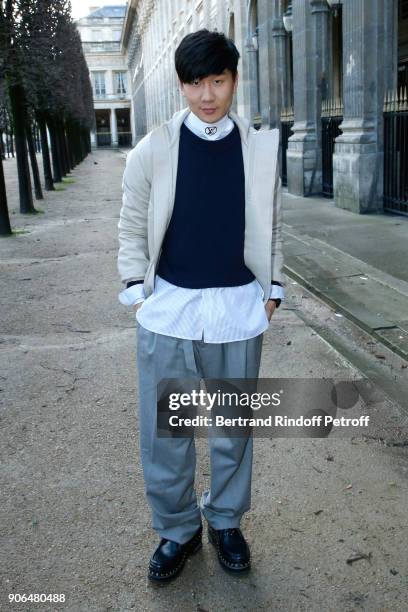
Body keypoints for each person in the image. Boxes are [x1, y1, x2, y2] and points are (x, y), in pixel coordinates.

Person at [117, 29, 285, 582]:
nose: (207, 94)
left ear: (234, 80)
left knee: (232, 428)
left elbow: (270, 224)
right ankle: (177, 528)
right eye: (195, 82)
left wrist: (272, 289)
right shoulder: (155, 149)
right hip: (170, 309)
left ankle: (226, 520)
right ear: (182, 85)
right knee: (167, 429)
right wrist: (137, 292)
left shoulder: (259, 151)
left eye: (218, 80)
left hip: (238, 307)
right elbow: (131, 223)